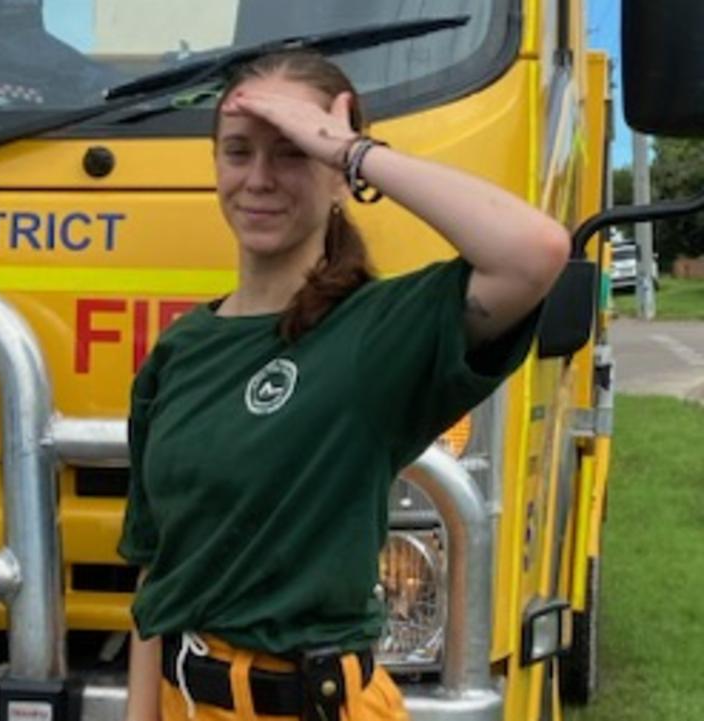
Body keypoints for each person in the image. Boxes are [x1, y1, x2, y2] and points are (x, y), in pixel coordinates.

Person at [118, 50, 569, 721]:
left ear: (337, 177)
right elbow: (158, 571)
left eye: (292, 152)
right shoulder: (182, 348)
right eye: (238, 152)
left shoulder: (374, 333)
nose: (260, 178)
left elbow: (534, 251)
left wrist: (348, 148)